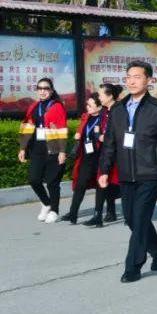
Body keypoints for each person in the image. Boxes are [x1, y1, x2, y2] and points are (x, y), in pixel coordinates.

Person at [97, 61, 157, 283]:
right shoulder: (117, 109)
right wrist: (104, 170)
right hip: (126, 173)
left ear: (149, 80)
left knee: (141, 218)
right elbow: (110, 143)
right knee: (132, 219)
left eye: (137, 77)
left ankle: (132, 267)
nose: (132, 81)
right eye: (129, 77)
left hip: (150, 173)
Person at [17, 77, 68, 223]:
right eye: (40, 88)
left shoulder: (57, 106)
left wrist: (62, 151)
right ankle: (46, 204)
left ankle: (55, 211)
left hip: (53, 149)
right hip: (37, 149)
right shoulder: (34, 106)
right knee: (33, 179)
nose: (42, 91)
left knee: (53, 182)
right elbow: (27, 127)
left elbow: (62, 130)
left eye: (46, 88)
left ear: (51, 91)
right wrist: (23, 148)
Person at [60, 94, 108, 224]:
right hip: (87, 157)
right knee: (80, 185)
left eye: (90, 105)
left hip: (101, 157)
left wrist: (100, 135)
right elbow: (82, 132)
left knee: (101, 186)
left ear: (99, 107)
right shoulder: (86, 118)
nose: (87, 107)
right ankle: (73, 213)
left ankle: (99, 216)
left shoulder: (105, 119)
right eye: (87, 104)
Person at [94, 83, 123, 223]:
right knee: (104, 181)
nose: (99, 97)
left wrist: (108, 137)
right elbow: (97, 128)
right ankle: (103, 213)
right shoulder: (103, 111)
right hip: (105, 152)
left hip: (119, 154)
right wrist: (98, 136)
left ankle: (131, 211)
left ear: (110, 95)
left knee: (119, 183)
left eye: (100, 94)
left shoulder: (120, 110)